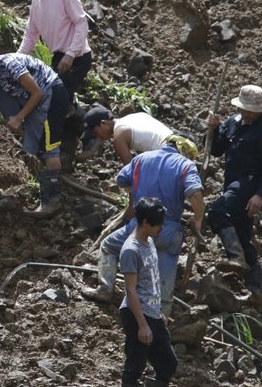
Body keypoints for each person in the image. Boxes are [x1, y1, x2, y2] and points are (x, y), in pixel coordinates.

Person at [83, 135, 204, 319]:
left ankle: (105, 288)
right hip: (167, 229)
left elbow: (121, 180)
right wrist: (198, 219)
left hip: (139, 227)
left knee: (108, 246)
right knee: (166, 264)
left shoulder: (141, 159)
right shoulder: (186, 165)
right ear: (184, 150)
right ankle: (162, 313)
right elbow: (194, 194)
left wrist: (135, 196)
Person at [0, 42, 70, 217]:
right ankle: (49, 193)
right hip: (31, 99)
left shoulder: (11, 65)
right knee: (41, 148)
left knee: (49, 148)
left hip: (51, 94)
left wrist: (19, 117)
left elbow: (38, 93)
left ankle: (53, 202)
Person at [206, 85, 262, 310]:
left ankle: (235, 257)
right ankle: (258, 293)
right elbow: (215, 149)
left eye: (252, 110)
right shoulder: (233, 122)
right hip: (232, 183)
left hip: (248, 185)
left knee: (217, 211)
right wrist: (212, 129)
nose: (248, 113)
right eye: (245, 109)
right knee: (242, 236)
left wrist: (259, 195)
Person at [16, 0, 92, 164]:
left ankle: (54, 150)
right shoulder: (36, 0)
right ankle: (82, 128)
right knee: (59, 101)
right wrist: (18, 60)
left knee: (53, 102)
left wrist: (70, 53)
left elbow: (81, 23)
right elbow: (31, 33)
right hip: (59, 57)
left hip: (77, 57)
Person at [118, 197, 178, 387]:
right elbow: (131, 290)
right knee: (135, 364)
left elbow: (151, 281)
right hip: (136, 315)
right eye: (157, 224)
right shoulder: (130, 250)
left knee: (167, 363)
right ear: (145, 222)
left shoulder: (149, 242)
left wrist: (158, 310)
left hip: (152, 313)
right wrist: (142, 324)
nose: (161, 227)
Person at [79, 106, 173, 165]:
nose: (98, 137)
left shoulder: (119, 135)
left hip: (169, 159)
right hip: (181, 146)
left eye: (96, 133)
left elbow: (131, 173)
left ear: (103, 123)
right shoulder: (136, 117)